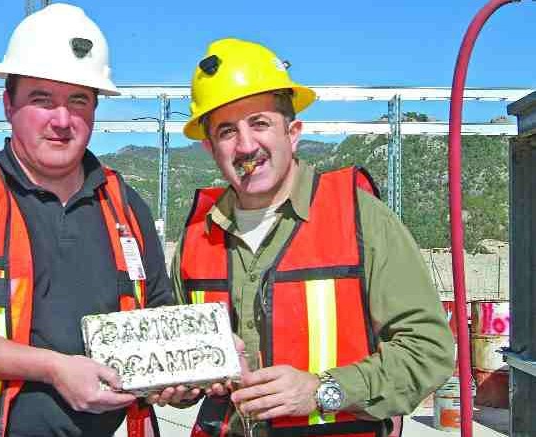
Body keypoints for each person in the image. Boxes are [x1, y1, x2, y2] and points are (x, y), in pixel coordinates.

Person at [0, 4, 173, 437]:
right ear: (9, 105)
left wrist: (198, 362)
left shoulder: (124, 204)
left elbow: (160, 314)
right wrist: (53, 369)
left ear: (96, 108)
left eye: (78, 100)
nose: (62, 120)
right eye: (42, 100)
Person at [171, 38, 455, 437]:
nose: (246, 146)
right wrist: (181, 382)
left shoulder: (361, 218)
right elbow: (181, 368)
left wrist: (323, 390)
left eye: (260, 123)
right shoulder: (196, 237)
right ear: (209, 146)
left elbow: (429, 351)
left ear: (293, 132)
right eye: (227, 131)